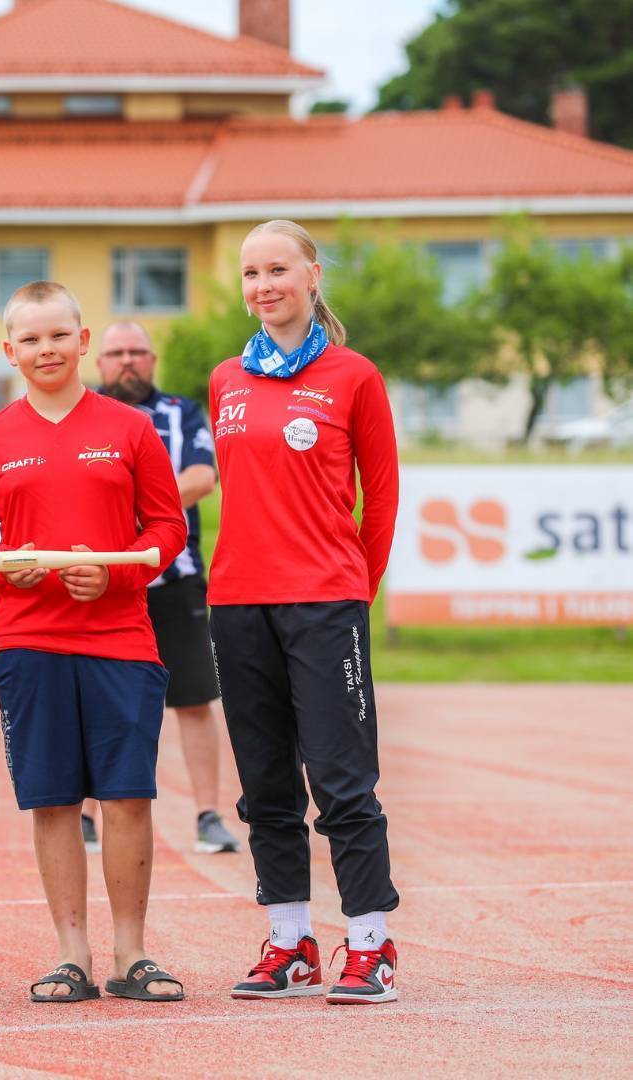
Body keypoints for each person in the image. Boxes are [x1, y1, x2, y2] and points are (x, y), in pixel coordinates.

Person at [0, 280, 188, 1004]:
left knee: (126, 798)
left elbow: (166, 528)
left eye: (58, 335)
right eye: (30, 339)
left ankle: (132, 954)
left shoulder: (128, 429)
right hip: (28, 641)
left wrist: (112, 580)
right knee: (53, 801)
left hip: (121, 637)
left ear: (83, 342)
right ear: (9, 351)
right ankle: (71, 954)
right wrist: (4, 571)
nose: (45, 349)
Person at [209, 219, 400, 1005]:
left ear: (312, 275)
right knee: (264, 786)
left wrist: (355, 588)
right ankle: (288, 940)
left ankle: (370, 945)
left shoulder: (354, 375)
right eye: (251, 273)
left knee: (341, 781)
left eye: (278, 269)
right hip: (236, 602)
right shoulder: (224, 379)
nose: (263, 286)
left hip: (324, 601)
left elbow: (380, 496)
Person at [82, 321, 241, 856]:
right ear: (99, 361)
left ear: (152, 359)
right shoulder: (79, 411)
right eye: (115, 353)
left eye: (136, 352)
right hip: (97, 580)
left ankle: (208, 815)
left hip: (173, 577)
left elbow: (202, 476)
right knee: (92, 698)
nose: (126, 361)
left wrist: (133, 503)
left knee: (195, 699)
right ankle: (83, 812)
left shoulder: (181, 411)